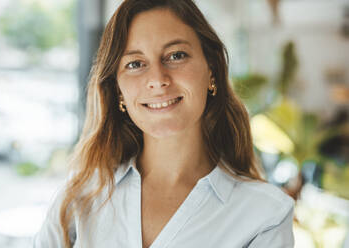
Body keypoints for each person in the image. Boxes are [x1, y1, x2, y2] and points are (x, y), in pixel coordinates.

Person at [33, 0, 295, 247]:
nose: (158, 79)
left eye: (176, 55)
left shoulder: (265, 215)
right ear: (119, 90)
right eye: (135, 63)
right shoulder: (80, 198)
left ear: (211, 69)